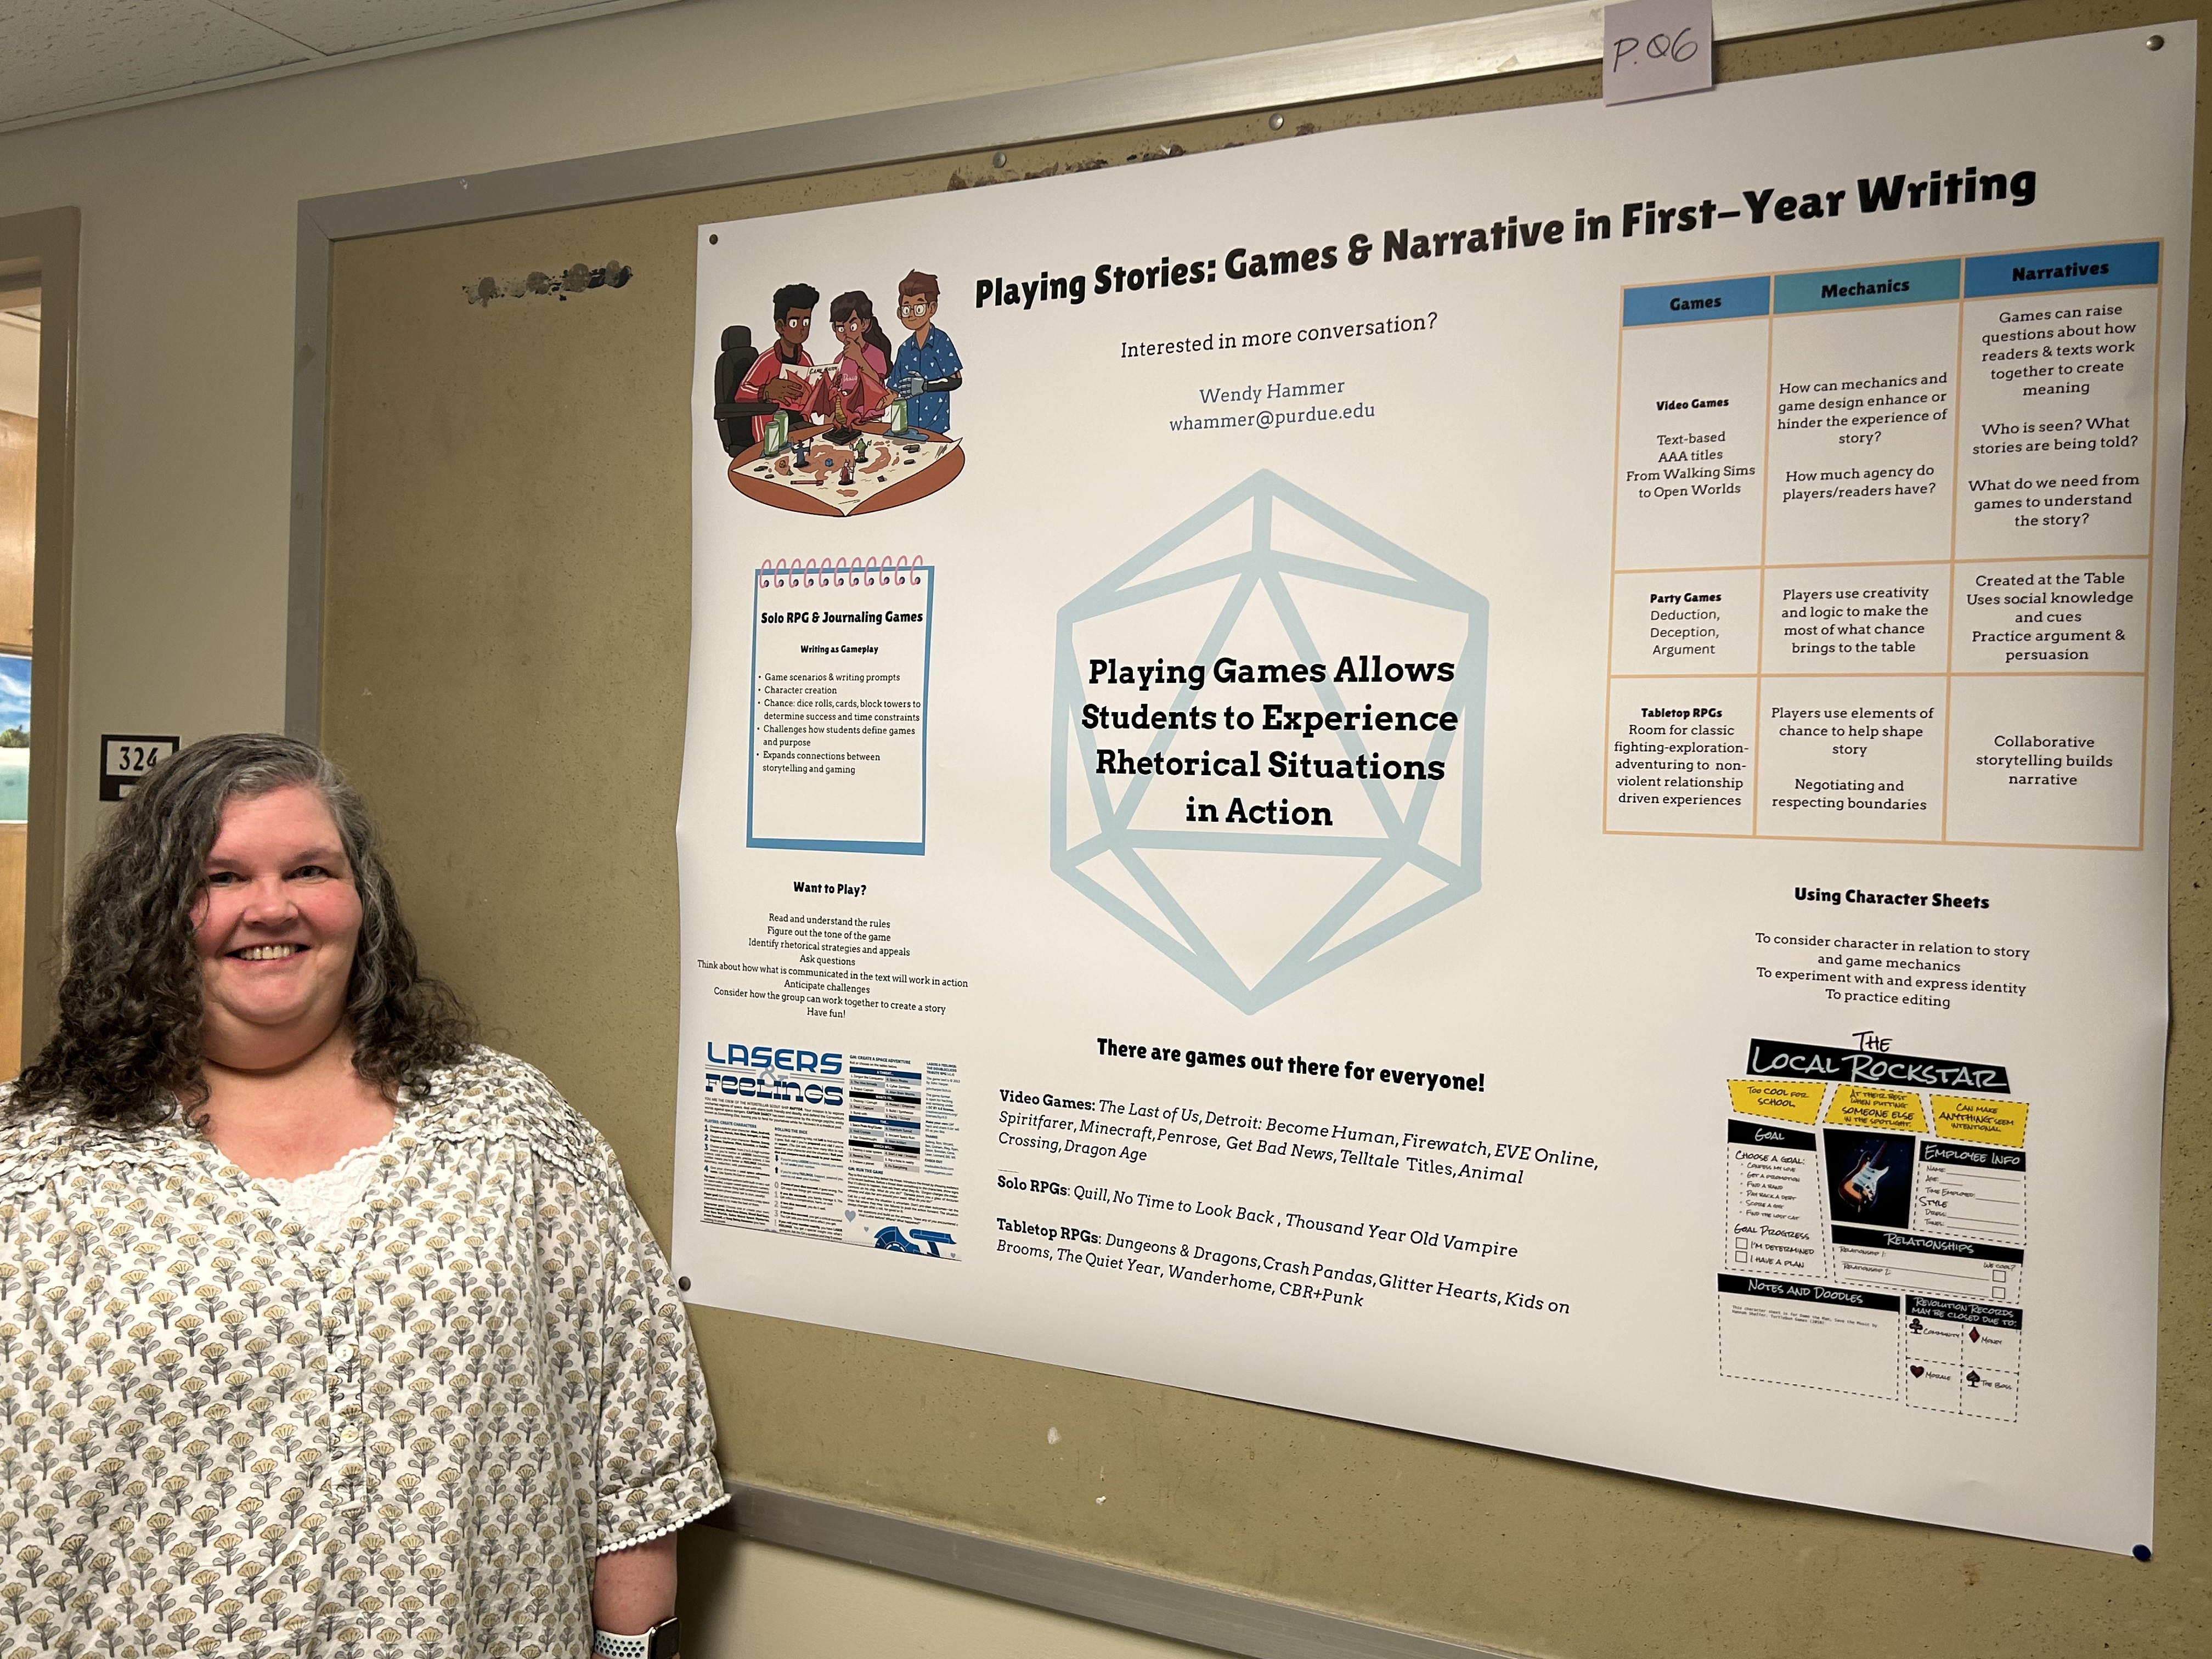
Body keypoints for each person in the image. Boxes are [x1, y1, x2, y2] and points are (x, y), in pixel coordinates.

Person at [0, 734, 722, 1658]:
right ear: (148, 910)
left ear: (361, 899)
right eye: (219, 876)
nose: (272, 906)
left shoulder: (508, 1130)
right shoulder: (37, 1170)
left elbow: (635, 1442)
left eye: (309, 867)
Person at [726, 281, 822, 447]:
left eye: (806, 322)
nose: (801, 328)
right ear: (780, 326)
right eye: (794, 322)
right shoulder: (767, 360)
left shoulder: (805, 359)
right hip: (772, 428)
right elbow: (741, 394)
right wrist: (766, 392)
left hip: (799, 424)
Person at [889, 270, 964, 436]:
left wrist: (925, 386)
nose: (912, 315)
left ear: (932, 308)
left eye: (919, 308)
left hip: (935, 426)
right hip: (906, 428)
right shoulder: (904, 349)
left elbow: (956, 381)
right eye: (907, 309)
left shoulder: (940, 341)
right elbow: (893, 391)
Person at [824, 289, 894, 429]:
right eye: (840, 328)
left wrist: (859, 358)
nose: (847, 332)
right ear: (834, 329)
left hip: (870, 420)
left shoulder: (876, 354)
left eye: (853, 325)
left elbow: (879, 388)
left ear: (865, 324)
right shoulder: (839, 360)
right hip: (844, 422)